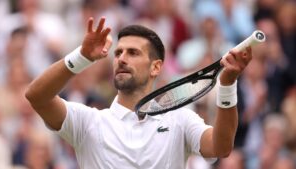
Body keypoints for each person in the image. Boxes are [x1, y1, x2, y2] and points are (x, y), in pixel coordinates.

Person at [25, 17, 253, 169]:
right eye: (119, 53)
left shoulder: (180, 119)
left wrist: (227, 84)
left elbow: (221, 147)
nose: (122, 58)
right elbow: (36, 96)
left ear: (156, 67)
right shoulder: (88, 121)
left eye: (133, 53)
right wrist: (81, 57)